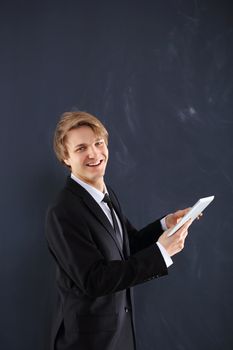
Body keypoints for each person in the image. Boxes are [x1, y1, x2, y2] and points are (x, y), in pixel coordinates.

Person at [46, 111, 192, 350]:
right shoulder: (62, 211)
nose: (94, 153)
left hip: (119, 334)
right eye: (81, 148)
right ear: (65, 157)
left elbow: (127, 245)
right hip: (87, 342)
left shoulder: (106, 192)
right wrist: (161, 254)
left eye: (98, 143)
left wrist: (166, 224)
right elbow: (94, 280)